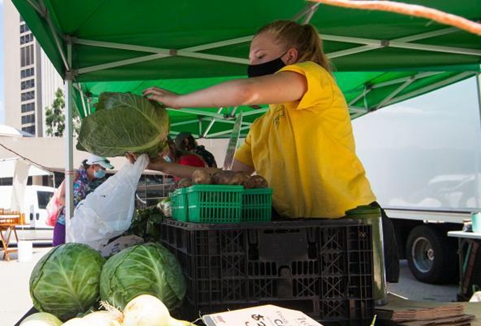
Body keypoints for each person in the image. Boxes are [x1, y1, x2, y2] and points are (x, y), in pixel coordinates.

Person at [143, 20, 399, 283]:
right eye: (250, 58)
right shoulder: (261, 125)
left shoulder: (315, 78)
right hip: (297, 231)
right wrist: (162, 166)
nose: (253, 65)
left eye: (260, 56)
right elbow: (226, 177)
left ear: (290, 57)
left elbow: (244, 91)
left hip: (351, 224)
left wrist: (178, 101)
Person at [52, 154, 113, 246]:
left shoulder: (97, 183)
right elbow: (60, 197)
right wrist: (75, 209)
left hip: (82, 226)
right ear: (92, 166)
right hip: (65, 222)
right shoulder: (76, 174)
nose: (104, 171)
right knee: (57, 251)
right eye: (103, 168)